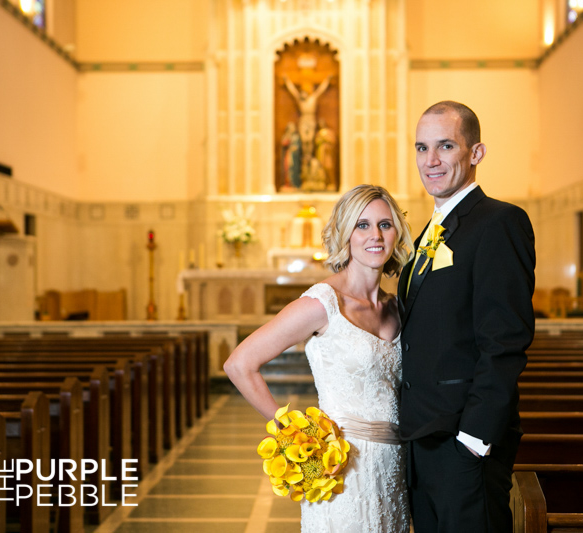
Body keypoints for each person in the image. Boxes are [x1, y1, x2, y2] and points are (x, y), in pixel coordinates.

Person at [224, 184, 414, 532]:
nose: (375, 235)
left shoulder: (398, 307)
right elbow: (239, 364)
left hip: (394, 468)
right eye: (362, 225)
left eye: (385, 225)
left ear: (397, 233)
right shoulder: (322, 304)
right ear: (345, 233)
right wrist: (293, 433)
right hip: (340, 468)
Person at [397, 101, 535, 532]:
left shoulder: (499, 222)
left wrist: (473, 441)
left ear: (476, 153)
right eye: (421, 148)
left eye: (445, 146)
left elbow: (505, 342)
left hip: (464, 442)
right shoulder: (431, 230)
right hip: (424, 441)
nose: (430, 161)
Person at [283, 74, 333, 159]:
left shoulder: (312, 99)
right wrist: (287, 82)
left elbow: (320, 90)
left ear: (306, 94)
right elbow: (293, 91)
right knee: (303, 139)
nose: (302, 96)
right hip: (303, 119)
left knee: (310, 139)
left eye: (303, 94)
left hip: (311, 119)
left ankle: (309, 155)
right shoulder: (300, 101)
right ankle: (304, 156)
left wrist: (327, 81)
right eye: (301, 94)